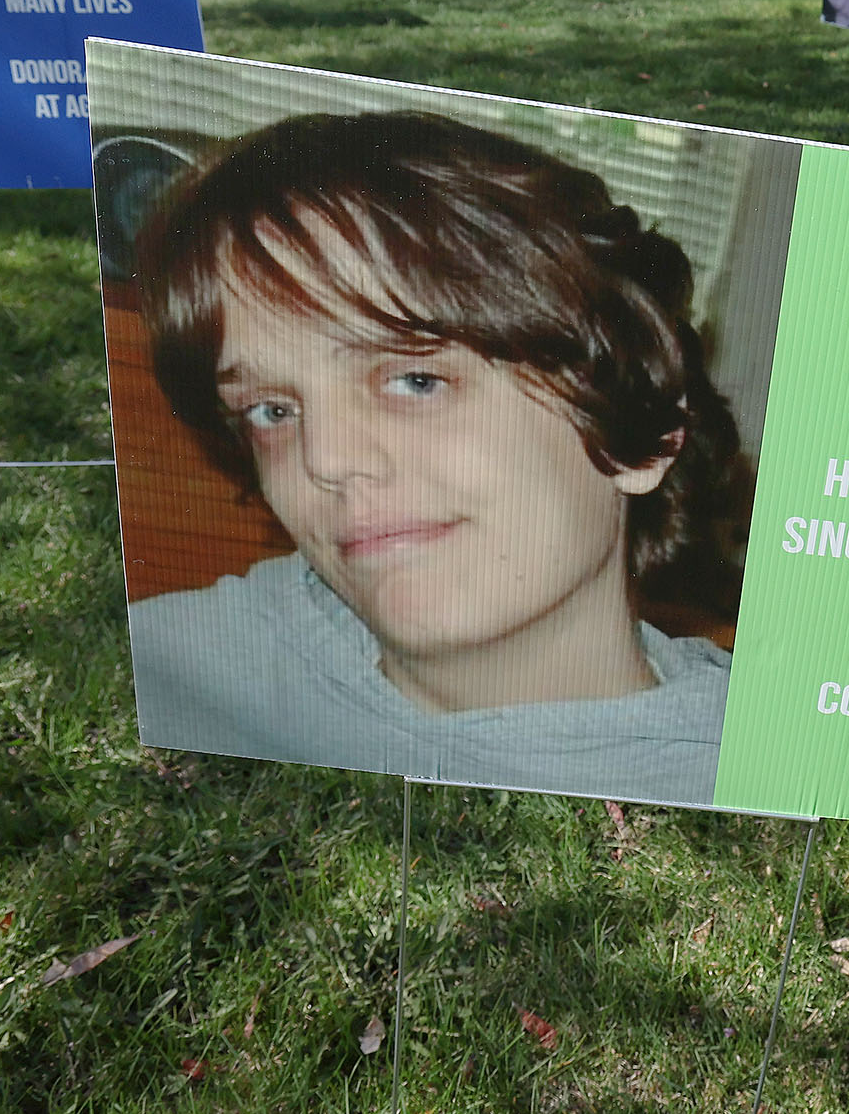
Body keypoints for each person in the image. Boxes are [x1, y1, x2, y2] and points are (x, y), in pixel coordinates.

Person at [124, 111, 750, 804]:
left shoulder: (779, 786)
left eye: (416, 380)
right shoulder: (163, 678)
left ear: (644, 431)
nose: (325, 459)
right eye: (273, 411)